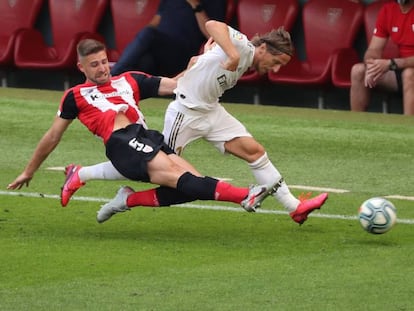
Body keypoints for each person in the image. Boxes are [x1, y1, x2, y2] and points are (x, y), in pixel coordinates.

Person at [60, 21, 329, 225]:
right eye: (277, 61)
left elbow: (202, 69)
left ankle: (295, 208)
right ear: (262, 48)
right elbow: (213, 24)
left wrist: (204, 58)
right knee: (165, 176)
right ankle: (110, 190)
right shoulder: (244, 47)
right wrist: (231, 54)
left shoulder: (246, 57)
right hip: (185, 112)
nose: (276, 68)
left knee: (254, 151)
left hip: (210, 111)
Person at [6, 38, 278, 223]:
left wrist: (201, 63)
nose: (102, 69)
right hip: (122, 141)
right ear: (81, 67)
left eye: (103, 62)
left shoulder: (129, 80)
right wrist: (29, 170)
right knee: (179, 177)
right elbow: (53, 136)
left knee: (192, 186)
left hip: (148, 138)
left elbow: (176, 86)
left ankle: (127, 198)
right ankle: (246, 194)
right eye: (94, 65)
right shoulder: (75, 96)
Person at [111, 0, 227, 77]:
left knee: (149, 34)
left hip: (182, 55)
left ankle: (112, 77)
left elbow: (213, 35)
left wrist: (195, 5)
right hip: (158, 54)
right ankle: (117, 92)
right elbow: (155, 21)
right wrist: (140, 43)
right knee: (141, 62)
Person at [350, 0, 414, 115]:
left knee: (410, 73)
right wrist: (371, 64)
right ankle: (356, 126)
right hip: (400, 69)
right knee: (358, 71)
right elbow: (373, 50)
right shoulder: (388, 10)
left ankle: (408, 129)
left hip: (407, 70)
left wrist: (393, 63)